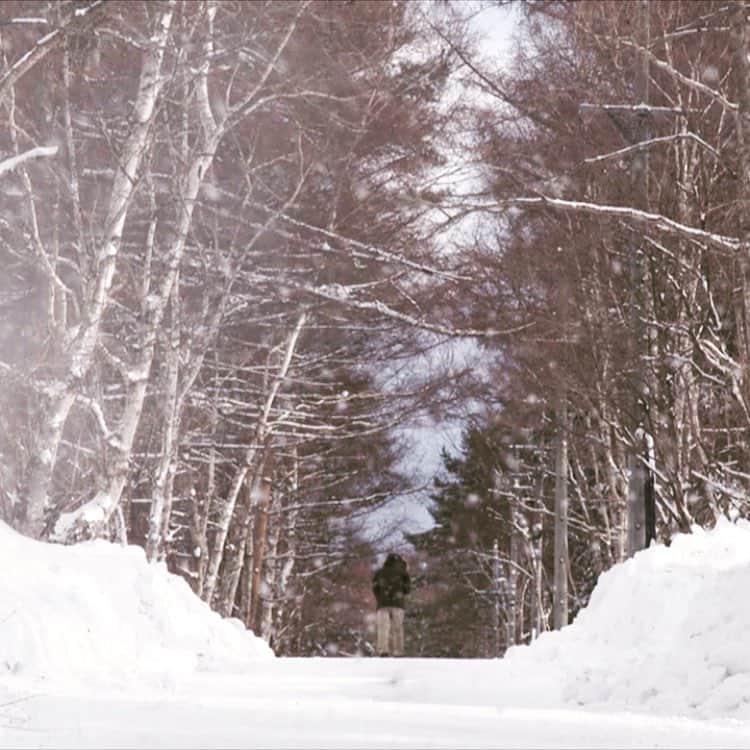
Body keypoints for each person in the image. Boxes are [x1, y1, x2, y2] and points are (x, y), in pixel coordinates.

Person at [372, 552, 411, 657]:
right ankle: (398, 651)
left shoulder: (380, 572)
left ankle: (383, 650)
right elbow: (407, 589)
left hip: (382, 604)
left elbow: (375, 587)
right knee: (397, 628)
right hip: (398, 604)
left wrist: (380, 598)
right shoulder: (403, 573)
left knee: (383, 628)